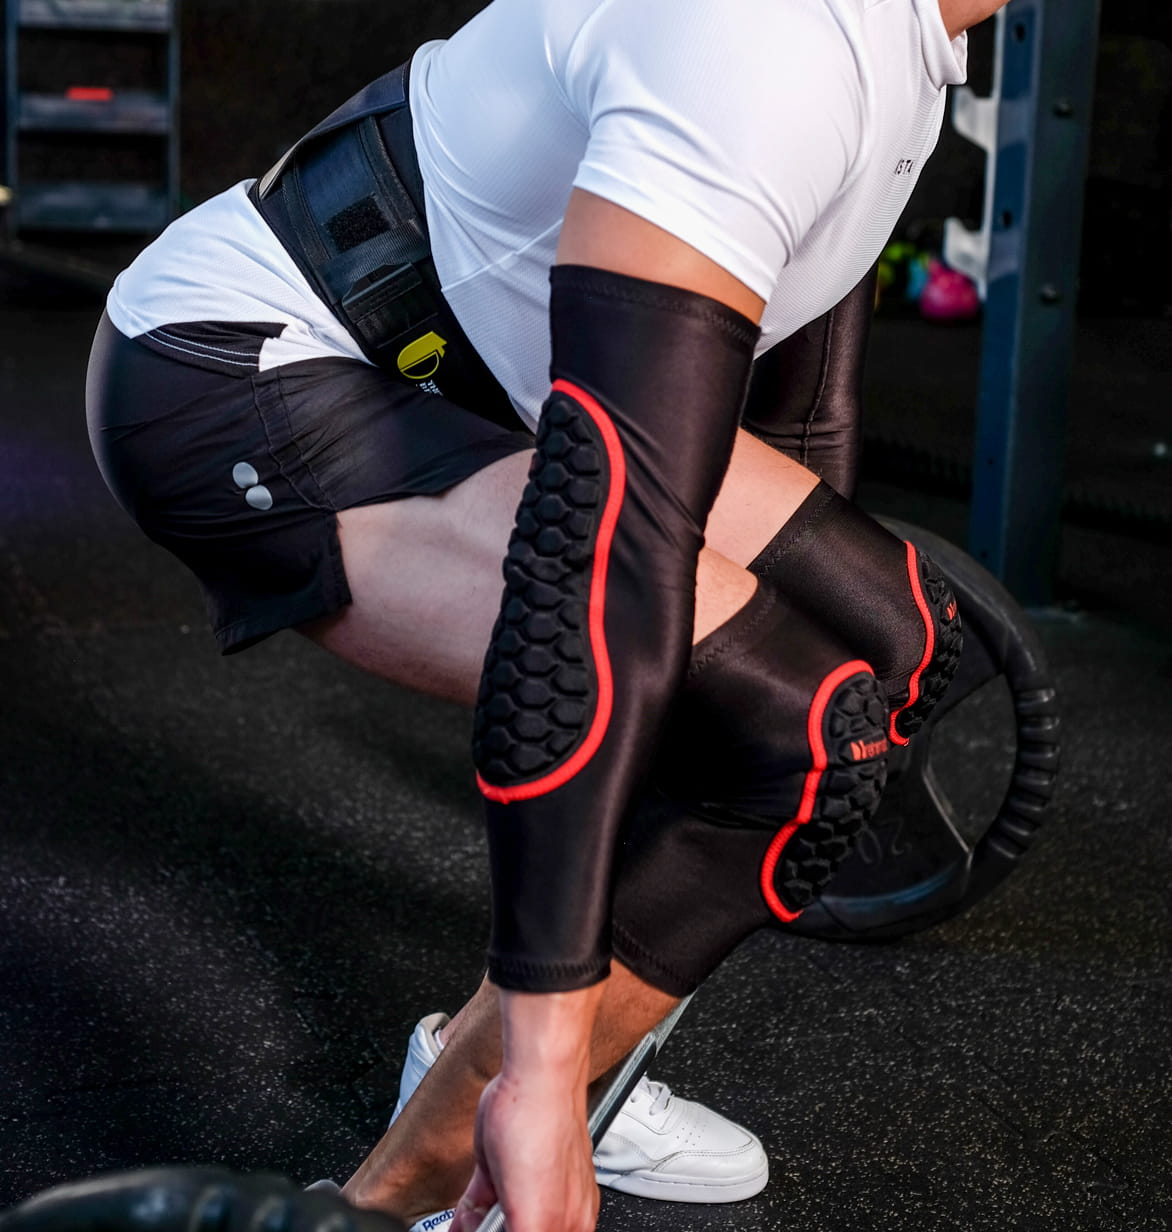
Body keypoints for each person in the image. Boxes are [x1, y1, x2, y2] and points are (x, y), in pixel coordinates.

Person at [85, 1, 1002, 1229]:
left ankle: (525, 1065)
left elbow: (798, 395)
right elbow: (598, 574)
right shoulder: (767, 41)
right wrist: (538, 1067)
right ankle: (400, 1190)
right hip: (246, 366)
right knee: (793, 726)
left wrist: (787, 634)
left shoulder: (908, 39)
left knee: (890, 639)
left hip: (476, 375)